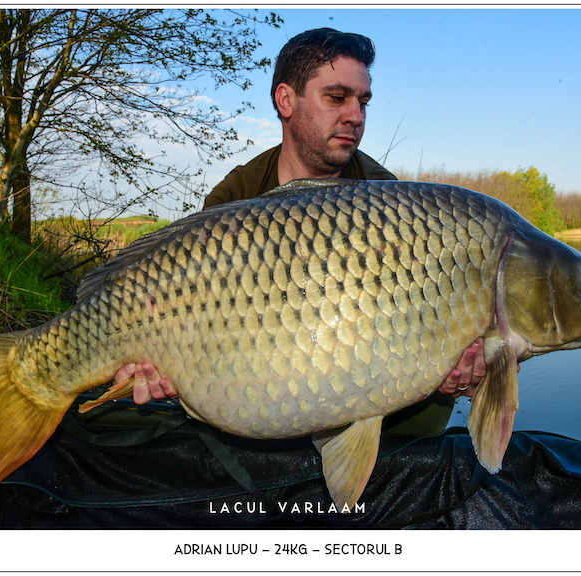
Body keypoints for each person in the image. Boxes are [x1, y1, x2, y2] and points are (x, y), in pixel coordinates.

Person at [113, 28, 487, 435]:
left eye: (363, 102)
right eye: (336, 97)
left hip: (364, 381)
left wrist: (443, 372)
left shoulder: (388, 200)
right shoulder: (236, 195)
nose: (356, 116)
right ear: (286, 100)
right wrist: (167, 370)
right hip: (257, 379)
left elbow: (414, 326)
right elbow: (186, 314)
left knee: (423, 416)